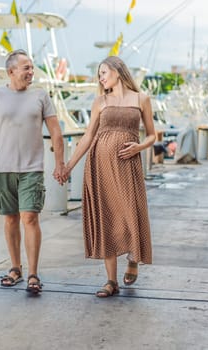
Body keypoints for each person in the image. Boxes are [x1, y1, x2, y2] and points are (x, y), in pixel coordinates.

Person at [58, 56, 155, 297]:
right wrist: (69, 166)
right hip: (99, 165)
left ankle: (134, 257)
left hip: (128, 165)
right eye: (99, 74)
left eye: (103, 72)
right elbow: (89, 136)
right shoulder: (100, 101)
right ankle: (111, 281)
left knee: (131, 213)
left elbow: (153, 135)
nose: (101, 77)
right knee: (108, 218)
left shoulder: (141, 99)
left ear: (118, 71)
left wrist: (138, 147)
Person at [0, 49, 65, 294]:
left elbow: (56, 132)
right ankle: (15, 268)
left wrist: (59, 163)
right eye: (26, 67)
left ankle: (33, 273)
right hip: (4, 169)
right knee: (10, 218)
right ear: (11, 71)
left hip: (32, 169)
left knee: (30, 218)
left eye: (32, 68)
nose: (30, 72)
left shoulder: (41, 96)